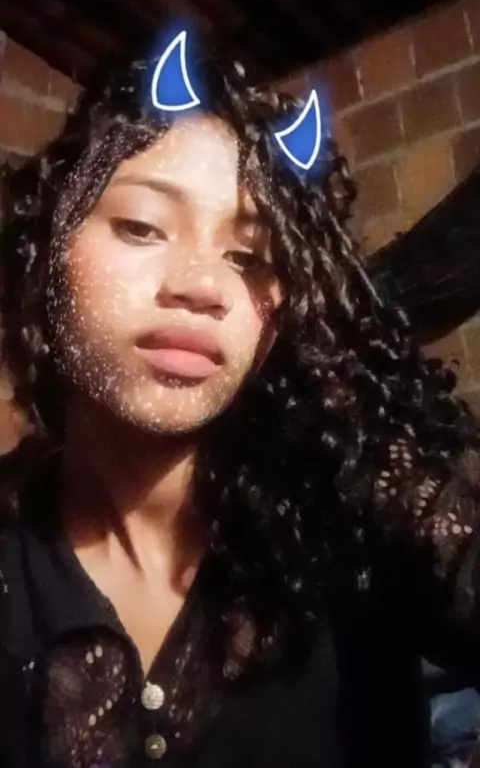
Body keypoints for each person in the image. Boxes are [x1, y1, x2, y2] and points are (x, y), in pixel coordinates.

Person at [1, 37, 480, 768]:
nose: (204, 285)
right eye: (142, 226)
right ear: (47, 254)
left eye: (250, 257)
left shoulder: (354, 503)